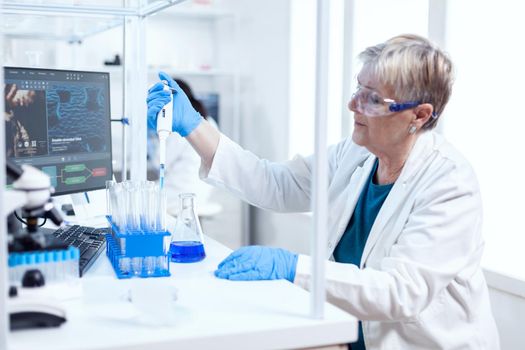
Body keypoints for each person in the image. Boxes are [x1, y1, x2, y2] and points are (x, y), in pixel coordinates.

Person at [146, 34, 500, 349]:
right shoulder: (356, 152)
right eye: (358, 90)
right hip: (349, 334)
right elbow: (276, 184)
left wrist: (291, 267)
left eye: (372, 99)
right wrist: (193, 125)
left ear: (419, 115)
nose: (354, 106)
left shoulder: (450, 183)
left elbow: (401, 292)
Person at [147, 78, 216, 215]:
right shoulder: (207, 120)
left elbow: (160, 163)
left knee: (138, 197)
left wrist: (152, 138)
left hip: (180, 192)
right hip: (202, 191)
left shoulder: (180, 124)